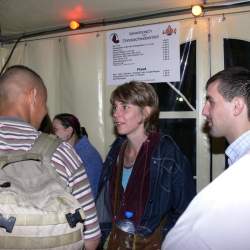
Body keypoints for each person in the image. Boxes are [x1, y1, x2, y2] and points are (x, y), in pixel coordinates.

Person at [0, 65, 101, 250]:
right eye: (45, 102)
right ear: (33, 96)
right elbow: (91, 239)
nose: (45, 110)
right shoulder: (61, 153)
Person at [96, 81, 195, 249]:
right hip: (116, 241)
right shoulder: (117, 151)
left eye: (125, 107)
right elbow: (106, 204)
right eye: (115, 107)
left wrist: (164, 239)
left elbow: (186, 212)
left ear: (146, 113)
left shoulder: (167, 154)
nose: (115, 114)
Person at [162, 66, 250, 250]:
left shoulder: (244, 171)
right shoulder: (239, 158)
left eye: (211, 101)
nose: (203, 111)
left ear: (237, 106)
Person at [52, 113, 103, 198]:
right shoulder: (72, 152)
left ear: (69, 131)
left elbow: (89, 195)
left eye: (55, 129)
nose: (52, 134)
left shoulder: (88, 156)